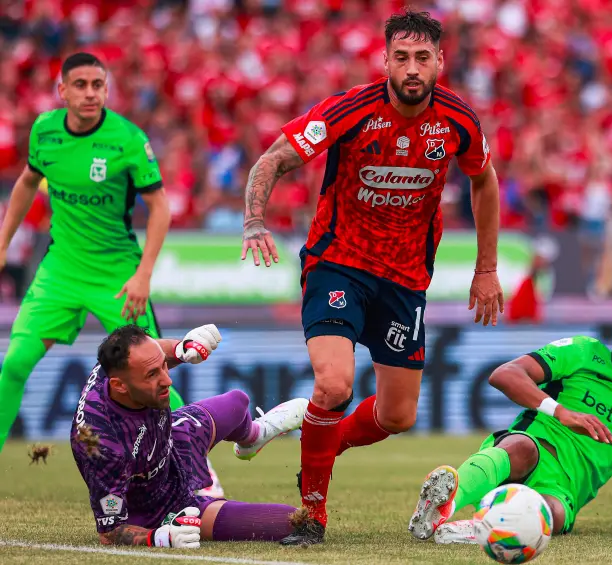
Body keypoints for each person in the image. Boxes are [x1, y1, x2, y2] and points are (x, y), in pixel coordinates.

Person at [240, 9, 504, 545]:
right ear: (384, 60)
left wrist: (487, 268)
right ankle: (312, 512)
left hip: (406, 281)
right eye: (401, 57)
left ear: (440, 62)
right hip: (338, 263)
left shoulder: (459, 121)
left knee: (399, 414)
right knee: (335, 384)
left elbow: (485, 182)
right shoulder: (350, 109)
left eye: (422, 58)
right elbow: (273, 158)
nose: (412, 68)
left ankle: (323, 441)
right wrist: (253, 221)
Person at [0, 51, 224, 493]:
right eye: (80, 84)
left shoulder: (126, 139)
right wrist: (3, 242)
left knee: (157, 375)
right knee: (14, 365)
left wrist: (142, 275)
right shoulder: (44, 131)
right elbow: (27, 181)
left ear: (106, 89)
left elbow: (160, 208)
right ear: (61, 90)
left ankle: (197, 469)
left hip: (118, 275)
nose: (89, 93)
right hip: (60, 270)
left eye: (97, 85)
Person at [409, 288, 612, 544]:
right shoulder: (583, 354)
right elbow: (505, 375)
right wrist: (561, 412)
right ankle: (444, 506)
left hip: (563, 491)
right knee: (521, 448)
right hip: (531, 452)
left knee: (549, 514)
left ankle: (474, 529)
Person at [71, 323, 309, 548]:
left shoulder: (117, 364)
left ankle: (254, 436)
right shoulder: (102, 446)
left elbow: (152, 354)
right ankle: (187, 514)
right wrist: (158, 538)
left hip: (173, 443)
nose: (167, 379)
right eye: (152, 374)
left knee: (236, 402)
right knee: (292, 522)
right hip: (159, 509)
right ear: (120, 386)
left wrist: (180, 348)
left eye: (163, 365)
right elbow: (110, 532)